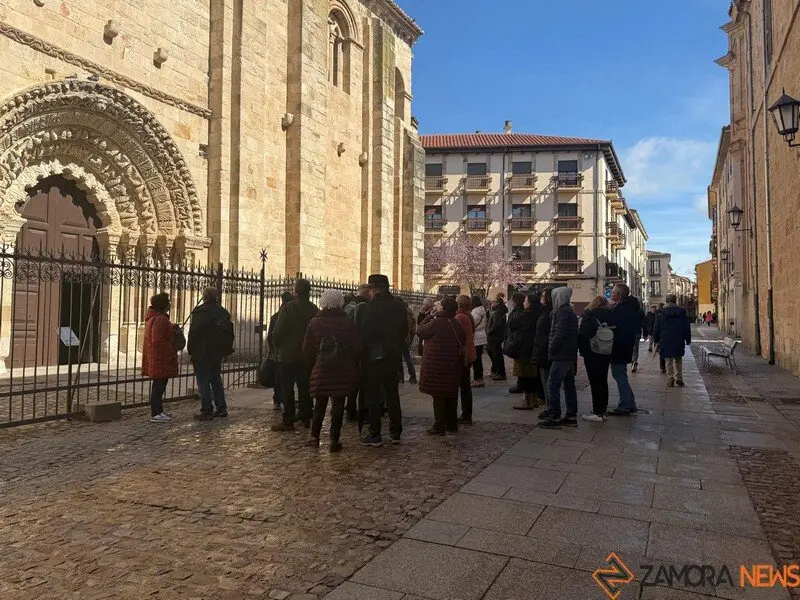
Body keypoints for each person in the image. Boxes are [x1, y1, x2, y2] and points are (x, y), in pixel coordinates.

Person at [302, 289, 362, 452]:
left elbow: (306, 349)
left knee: (320, 404)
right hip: (342, 368)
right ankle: (334, 440)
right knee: (338, 405)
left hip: (322, 367)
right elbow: (358, 347)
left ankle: (314, 437)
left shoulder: (315, 322)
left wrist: (315, 360)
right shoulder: (348, 322)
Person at [358, 274, 408, 447]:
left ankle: (375, 433)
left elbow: (365, 333)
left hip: (374, 357)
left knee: (373, 396)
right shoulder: (400, 307)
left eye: (371, 289)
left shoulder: (371, 308)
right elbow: (404, 332)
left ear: (376, 289)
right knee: (392, 394)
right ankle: (395, 432)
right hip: (393, 356)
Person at [271, 279, 319, 431]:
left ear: (296, 291)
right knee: (305, 386)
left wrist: (275, 343)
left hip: (289, 354)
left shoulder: (288, 308)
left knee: (287, 387)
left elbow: (278, 330)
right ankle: (306, 417)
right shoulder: (313, 308)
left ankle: (288, 420)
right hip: (306, 353)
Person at [417, 297, 466, 435]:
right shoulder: (456, 323)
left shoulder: (436, 323)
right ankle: (452, 424)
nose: (436, 306)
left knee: (438, 396)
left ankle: (439, 427)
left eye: (438, 304)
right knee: (451, 394)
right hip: (452, 365)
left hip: (437, 367)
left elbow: (420, 331)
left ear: (443, 308)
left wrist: (429, 316)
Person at [188, 287, 233, 420]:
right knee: (216, 379)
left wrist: (191, 349)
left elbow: (194, 332)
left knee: (203, 381)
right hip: (217, 351)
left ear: (205, 297)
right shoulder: (223, 312)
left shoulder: (201, 312)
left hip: (202, 351)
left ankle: (206, 410)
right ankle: (222, 408)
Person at [540, 286, 579, 428]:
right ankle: (571, 415)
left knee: (552, 384)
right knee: (569, 385)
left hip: (562, 354)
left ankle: (555, 416)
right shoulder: (569, 311)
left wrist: (551, 348)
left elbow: (559, 333)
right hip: (568, 354)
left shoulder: (562, 312)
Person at [608, 284, 643, 416]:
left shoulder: (622, 309)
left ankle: (624, 406)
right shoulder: (627, 307)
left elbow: (617, 328)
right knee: (620, 375)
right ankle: (630, 403)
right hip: (623, 346)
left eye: (613, 292)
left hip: (619, 347)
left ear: (619, 295)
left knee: (619, 375)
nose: (611, 294)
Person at [142, 293, 178, 423]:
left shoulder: (153, 318)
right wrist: (170, 351)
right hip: (161, 358)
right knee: (159, 386)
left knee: (158, 386)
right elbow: (158, 340)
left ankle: (158, 411)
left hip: (157, 357)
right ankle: (156, 412)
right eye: (168, 301)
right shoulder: (160, 319)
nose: (170, 304)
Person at [578, 296, 614, 422]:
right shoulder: (611, 315)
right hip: (606, 351)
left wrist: (583, 351)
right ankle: (603, 410)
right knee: (603, 380)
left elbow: (583, 335)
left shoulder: (589, 315)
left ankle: (597, 412)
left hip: (592, 353)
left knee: (595, 382)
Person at [510, 293, 542, 410]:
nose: (523, 303)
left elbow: (512, 323)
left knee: (523, 374)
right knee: (532, 375)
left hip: (524, 348)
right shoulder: (540, 313)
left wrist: (517, 309)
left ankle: (527, 401)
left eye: (525, 301)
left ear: (530, 303)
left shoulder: (525, 315)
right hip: (534, 348)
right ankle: (533, 399)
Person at [654, 293, 691, 387]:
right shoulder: (682, 312)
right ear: (675, 300)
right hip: (678, 338)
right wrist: (688, 339)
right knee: (678, 359)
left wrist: (656, 339)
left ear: (667, 301)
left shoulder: (661, 312)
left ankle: (671, 379)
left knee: (668, 360)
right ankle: (679, 378)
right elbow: (686, 326)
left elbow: (657, 328)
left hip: (665, 339)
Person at [344, 285, 370, 420]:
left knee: (352, 379)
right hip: (362, 348)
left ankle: (350, 409)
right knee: (364, 380)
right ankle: (363, 410)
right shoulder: (365, 307)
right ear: (367, 293)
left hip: (349, 349)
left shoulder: (349, 306)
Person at [267, 291, 294, 411]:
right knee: (289, 379)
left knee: (278, 377)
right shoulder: (293, 315)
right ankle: (285, 400)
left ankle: (277, 400)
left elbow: (271, 336)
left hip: (279, 351)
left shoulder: (276, 316)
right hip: (289, 351)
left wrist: (272, 348)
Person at [455, 295, 477, 423]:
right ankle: (467, 413)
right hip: (469, 353)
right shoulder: (468, 315)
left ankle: (466, 414)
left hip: (463, 355)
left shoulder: (460, 317)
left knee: (464, 386)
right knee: (466, 386)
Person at [533, 288, 553, 421]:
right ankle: (549, 407)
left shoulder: (549, 314)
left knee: (548, 382)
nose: (541, 298)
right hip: (542, 351)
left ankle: (550, 408)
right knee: (546, 382)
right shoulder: (544, 312)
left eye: (543, 296)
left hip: (545, 352)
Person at [505, 292, 526, 394]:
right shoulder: (519, 310)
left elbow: (513, 323)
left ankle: (521, 384)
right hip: (517, 338)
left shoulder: (519, 311)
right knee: (518, 363)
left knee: (520, 364)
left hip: (518, 340)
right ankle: (520, 383)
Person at [486, 295, 508, 381]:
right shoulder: (498, 311)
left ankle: (500, 373)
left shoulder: (498, 312)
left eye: (493, 301)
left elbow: (497, 324)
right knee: (492, 352)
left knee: (496, 354)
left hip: (495, 336)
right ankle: (495, 370)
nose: (492, 303)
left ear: (498, 303)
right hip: (496, 336)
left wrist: (490, 332)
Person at [398, 300, 418, 384]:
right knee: (407, 357)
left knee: (399, 358)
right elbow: (413, 330)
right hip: (407, 339)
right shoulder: (411, 315)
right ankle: (413, 375)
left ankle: (400, 377)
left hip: (399, 338)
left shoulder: (399, 314)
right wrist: (410, 338)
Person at [470, 295, 488, 387]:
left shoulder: (475, 313)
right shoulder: (481, 310)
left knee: (476, 360)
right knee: (478, 360)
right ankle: (479, 378)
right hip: (481, 336)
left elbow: (472, 324)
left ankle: (478, 379)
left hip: (476, 338)